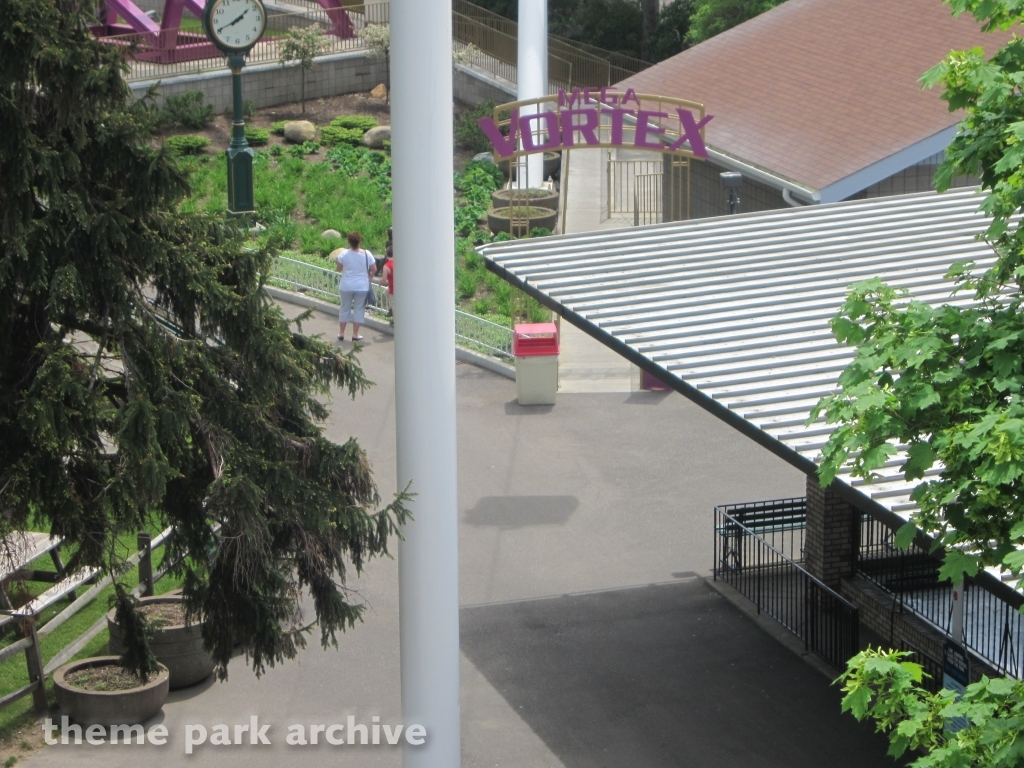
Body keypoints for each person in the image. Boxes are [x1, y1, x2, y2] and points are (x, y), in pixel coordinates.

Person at [333, 231, 376, 341]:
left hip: (346, 285)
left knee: (344, 308)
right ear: (359, 241)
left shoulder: (343, 254)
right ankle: (355, 334)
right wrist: (369, 277)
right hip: (362, 286)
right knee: (359, 309)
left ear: (349, 242)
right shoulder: (367, 254)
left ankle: (341, 333)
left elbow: (338, 268)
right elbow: (373, 269)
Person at [381, 245, 395, 321]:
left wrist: (381, 282)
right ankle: (390, 308)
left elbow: (384, 278)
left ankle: (394, 321)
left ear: (386, 254)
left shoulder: (386, 266)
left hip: (393, 288)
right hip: (399, 287)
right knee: (386, 291)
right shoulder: (398, 263)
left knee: (394, 305)